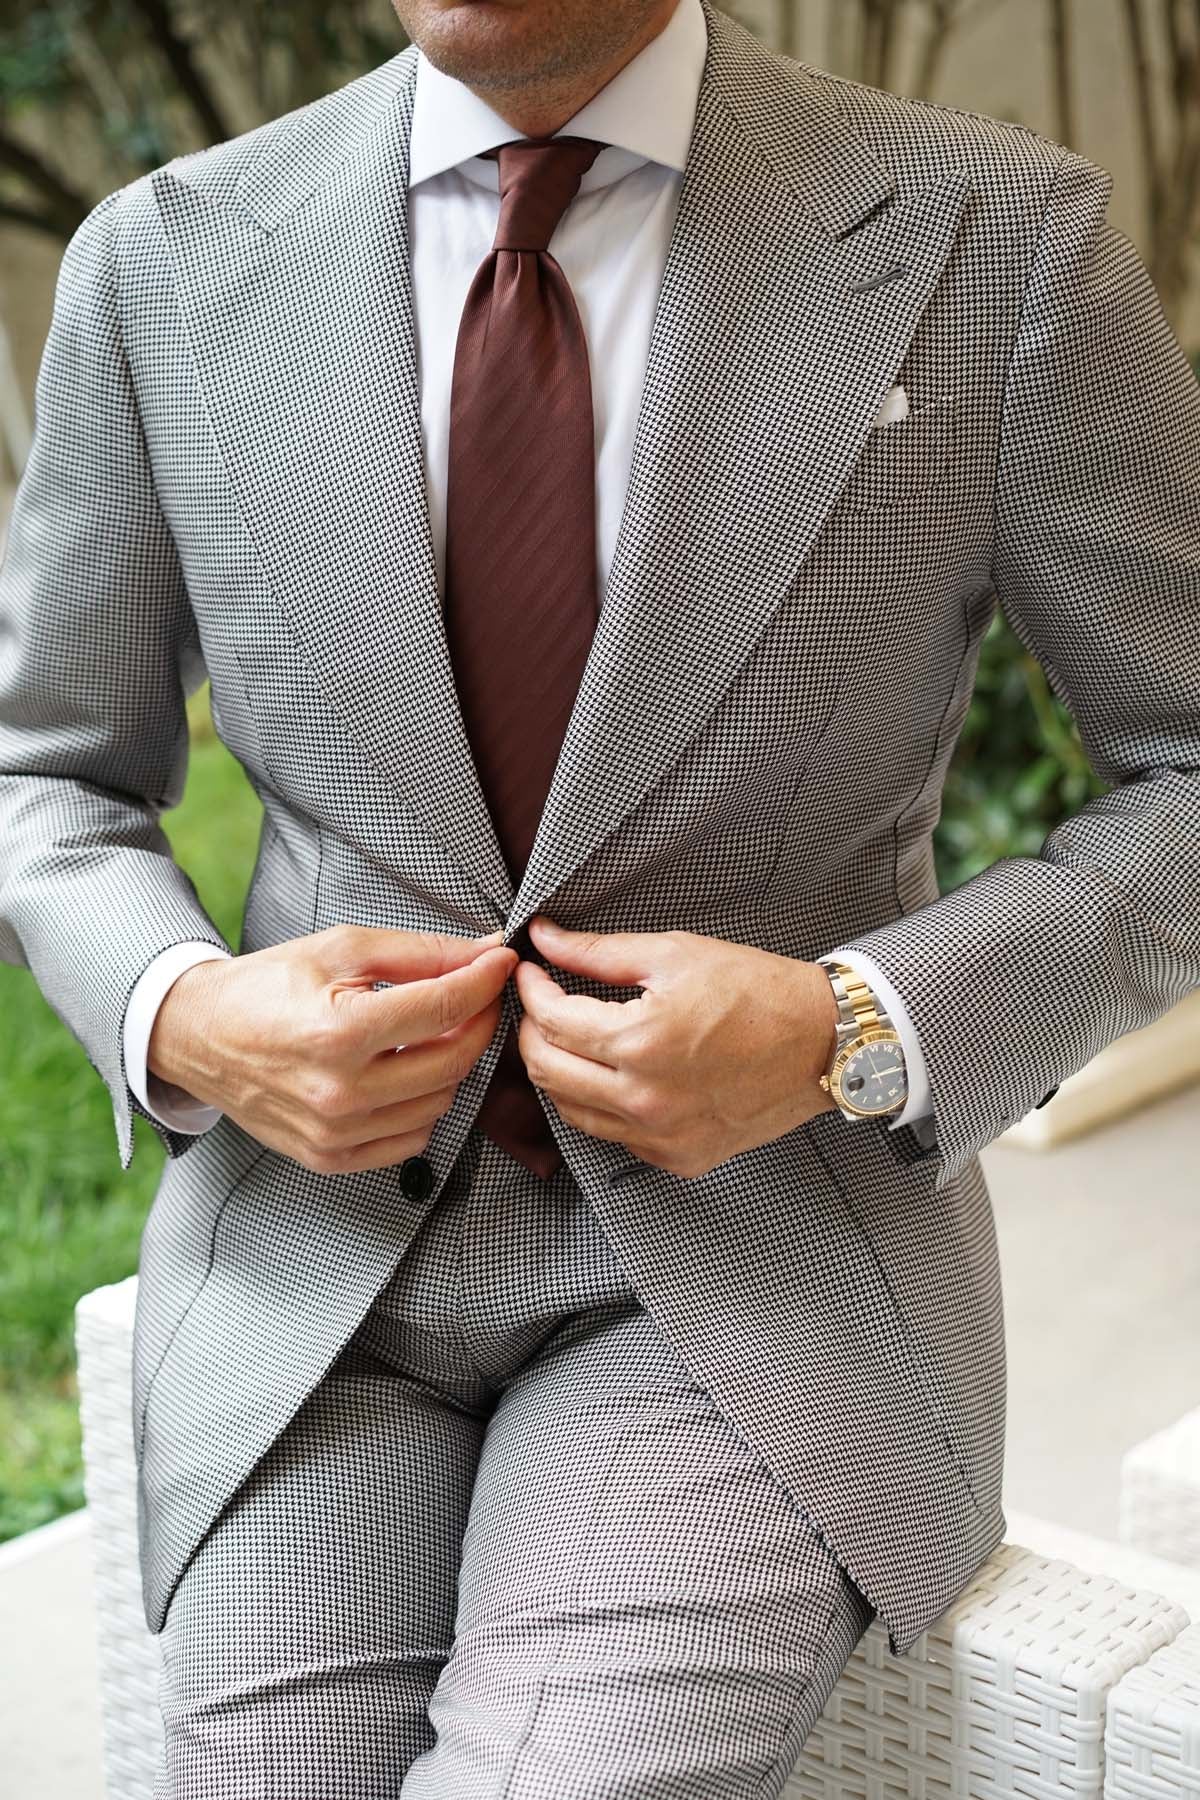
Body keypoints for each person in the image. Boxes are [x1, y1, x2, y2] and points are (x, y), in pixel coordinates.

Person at [1, 0, 1197, 1791]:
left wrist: (852, 1024)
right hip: (310, 1281)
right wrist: (189, 1014)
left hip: (752, 1276)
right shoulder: (165, 266)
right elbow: (51, 775)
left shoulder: (994, 244)